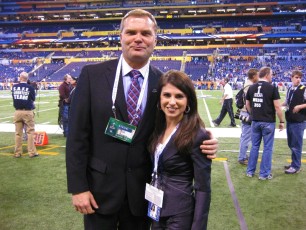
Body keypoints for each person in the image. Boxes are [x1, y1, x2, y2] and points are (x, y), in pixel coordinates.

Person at [66, 9, 218, 230]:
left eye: (146, 33)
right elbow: (77, 136)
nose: (138, 38)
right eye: (131, 32)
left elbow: (181, 119)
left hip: (143, 193)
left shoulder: (163, 82)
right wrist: (78, 187)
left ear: (155, 39)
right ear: (121, 37)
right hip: (99, 191)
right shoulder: (92, 75)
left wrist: (206, 138)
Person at [148, 70, 211, 230]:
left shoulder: (197, 134)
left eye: (179, 96)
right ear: (160, 99)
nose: (172, 102)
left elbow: (203, 187)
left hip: (180, 214)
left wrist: (198, 226)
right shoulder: (157, 128)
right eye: (167, 95)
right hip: (155, 210)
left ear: (188, 101)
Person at [245, 67, 285, 180]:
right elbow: (277, 106)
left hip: (255, 121)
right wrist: (282, 121)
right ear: (267, 75)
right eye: (271, 74)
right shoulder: (272, 88)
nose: (272, 76)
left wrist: (252, 113)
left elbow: (247, 104)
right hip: (268, 122)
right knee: (267, 148)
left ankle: (250, 171)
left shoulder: (252, 87)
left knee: (254, 147)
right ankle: (264, 174)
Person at [282, 70, 306, 174]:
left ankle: (296, 166)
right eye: (296, 77)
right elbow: (287, 102)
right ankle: (294, 163)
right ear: (291, 78)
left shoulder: (304, 89)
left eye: (300, 77)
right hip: (290, 120)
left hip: (299, 121)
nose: (298, 79)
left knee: (296, 144)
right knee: (291, 143)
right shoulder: (289, 89)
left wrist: (300, 106)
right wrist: (277, 105)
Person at [11, 71, 38, 158]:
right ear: (27, 78)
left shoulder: (14, 87)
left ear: (20, 77)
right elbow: (33, 98)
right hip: (27, 111)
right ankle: (31, 152)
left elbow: (14, 97)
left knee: (18, 133)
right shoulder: (30, 87)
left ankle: (17, 153)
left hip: (17, 111)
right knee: (30, 132)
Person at [237, 68, 259, 165]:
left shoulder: (246, 84)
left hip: (244, 112)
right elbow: (248, 102)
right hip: (247, 112)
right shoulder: (250, 86)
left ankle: (243, 155)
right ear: (254, 76)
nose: (258, 77)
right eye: (257, 75)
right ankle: (242, 157)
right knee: (246, 137)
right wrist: (252, 113)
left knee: (244, 136)